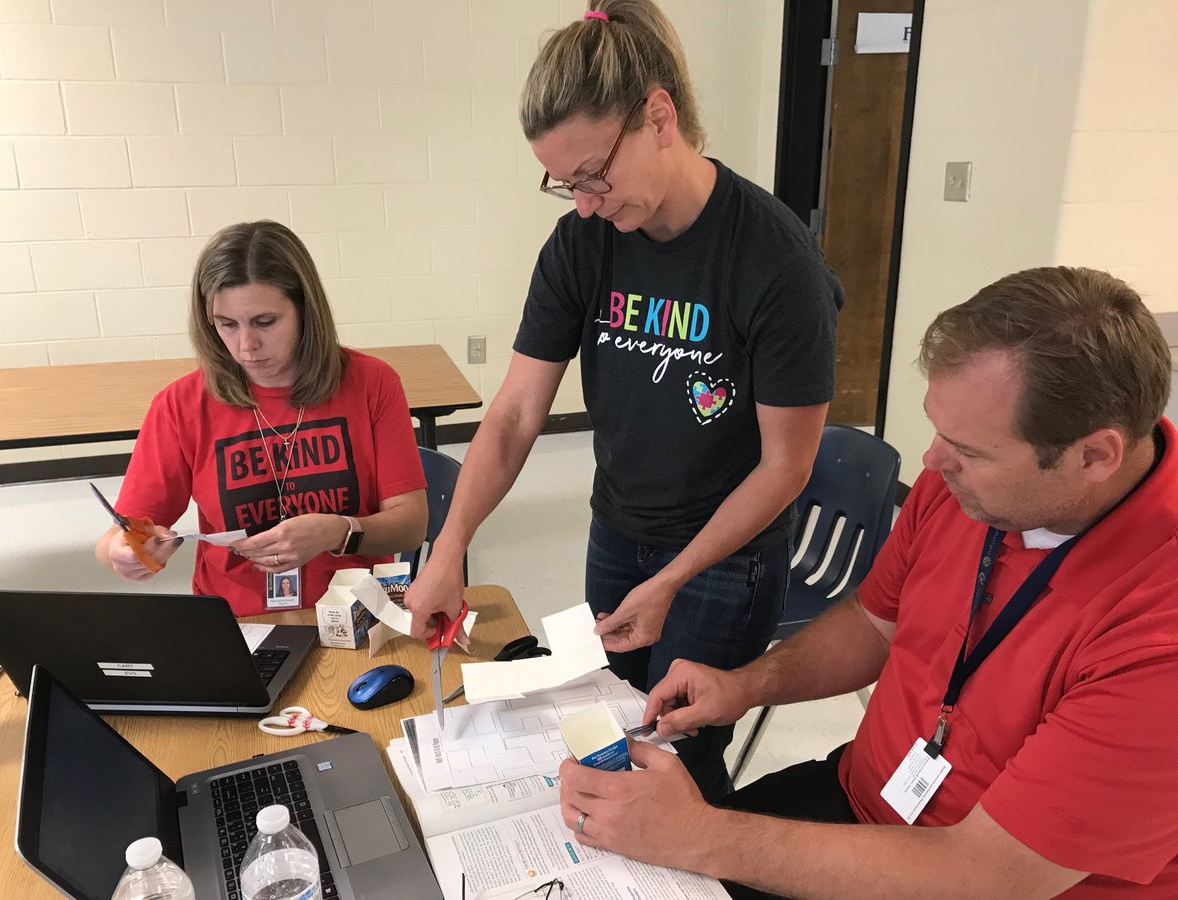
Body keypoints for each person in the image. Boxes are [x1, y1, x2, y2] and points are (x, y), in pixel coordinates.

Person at [556, 266, 1178, 898]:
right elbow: (873, 624)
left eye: (971, 451)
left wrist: (697, 834)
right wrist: (746, 685)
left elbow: (990, 875)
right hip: (863, 800)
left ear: (1095, 456)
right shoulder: (967, 490)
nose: (932, 462)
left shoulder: (1157, 636)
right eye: (938, 429)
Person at [405, 0, 843, 801]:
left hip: (725, 559)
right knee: (610, 734)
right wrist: (448, 547)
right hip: (618, 530)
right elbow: (514, 415)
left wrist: (674, 577)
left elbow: (785, 467)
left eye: (593, 175)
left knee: (678, 764)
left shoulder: (775, 263)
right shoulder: (584, 242)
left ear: (659, 117)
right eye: (564, 184)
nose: (584, 202)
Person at [96, 221, 428, 617]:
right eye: (227, 325)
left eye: (265, 322)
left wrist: (337, 531)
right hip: (239, 620)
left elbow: (411, 525)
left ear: (304, 311)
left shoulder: (372, 383)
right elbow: (118, 537)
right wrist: (121, 552)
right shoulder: (179, 405)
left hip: (356, 613)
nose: (245, 347)